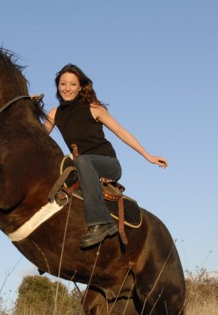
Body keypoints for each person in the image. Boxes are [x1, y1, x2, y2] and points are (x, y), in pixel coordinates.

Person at [43, 64, 168, 249]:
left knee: (82, 160)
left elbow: (121, 131)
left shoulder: (94, 108)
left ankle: (101, 223)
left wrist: (147, 156)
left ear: (80, 87)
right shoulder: (55, 113)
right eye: (63, 84)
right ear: (58, 86)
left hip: (108, 164)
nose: (67, 88)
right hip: (82, 167)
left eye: (72, 84)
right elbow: (38, 134)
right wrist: (28, 108)